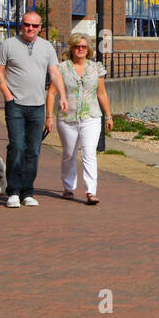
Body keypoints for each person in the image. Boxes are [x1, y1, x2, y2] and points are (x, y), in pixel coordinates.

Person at [0, 12, 65, 207]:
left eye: (34, 25)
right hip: (15, 105)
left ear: (41, 27)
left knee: (33, 150)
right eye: (26, 24)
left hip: (38, 106)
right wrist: (7, 95)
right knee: (17, 146)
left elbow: (55, 73)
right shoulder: (8, 44)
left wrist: (63, 96)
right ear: (21, 25)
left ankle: (27, 191)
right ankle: (13, 191)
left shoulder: (47, 47)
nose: (30, 28)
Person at [46, 33, 112, 205]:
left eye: (83, 46)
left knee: (89, 154)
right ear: (72, 49)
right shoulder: (61, 68)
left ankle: (91, 192)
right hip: (67, 118)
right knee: (69, 154)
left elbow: (102, 93)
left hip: (91, 117)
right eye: (77, 46)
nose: (80, 49)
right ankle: (69, 187)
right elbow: (52, 93)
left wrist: (109, 116)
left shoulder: (96, 68)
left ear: (88, 49)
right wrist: (49, 116)